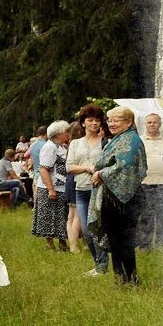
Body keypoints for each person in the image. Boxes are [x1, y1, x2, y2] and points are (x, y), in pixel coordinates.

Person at [88, 106, 147, 284]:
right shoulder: (119, 138)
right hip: (113, 197)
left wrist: (100, 174)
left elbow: (126, 167)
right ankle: (120, 279)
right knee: (115, 241)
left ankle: (130, 280)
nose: (111, 124)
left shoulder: (131, 140)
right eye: (109, 120)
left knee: (124, 241)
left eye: (116, 120)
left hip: (124, 200)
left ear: (128, 122)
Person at [67, 104, 110, 275]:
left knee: (97, 229)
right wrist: (87, 168)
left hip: (99, 190)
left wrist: (94, 170)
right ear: (83, 123)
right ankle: (99, 264)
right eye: (90, 120)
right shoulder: (75, 143)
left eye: (97, 120)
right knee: (85, 230)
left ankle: (102, 267)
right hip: (81, 190)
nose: (94, 123)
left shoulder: (105, 142)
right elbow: (69, 167)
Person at [32, 121, 71, 251]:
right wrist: (50, 189)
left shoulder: (61, 147)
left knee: (60, 216)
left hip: (61, 186)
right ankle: (49, 244)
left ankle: (62, 242)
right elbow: (44, 169)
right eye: (67, 131)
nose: (69, 134)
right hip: (50, 187)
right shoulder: (50, 147)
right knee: (48, 216)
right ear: (59, 134)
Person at [138, 112, 163, 249]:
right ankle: (145, 246)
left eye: (155, 122)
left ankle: (161, 246)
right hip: (145, 182)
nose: (152, 124)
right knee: (146, 215)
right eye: (149, 122)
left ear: (160, 124)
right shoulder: (139, 141)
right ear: (145, 124)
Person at [65, 122, 85, 251]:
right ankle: (74, 246)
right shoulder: (80, 145)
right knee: (78, 215)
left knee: (71, 215)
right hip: (78, 178)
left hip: (70, 179)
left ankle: (74, 245)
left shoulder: (71, 145)